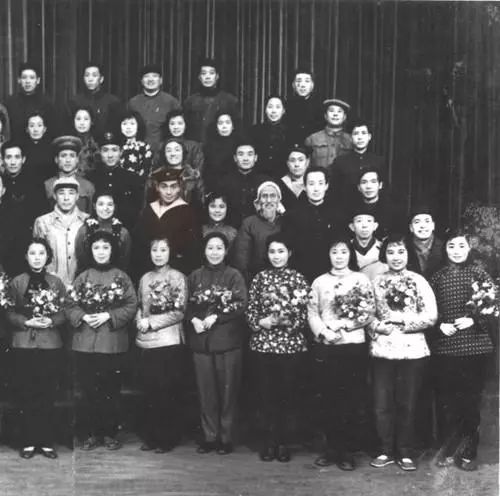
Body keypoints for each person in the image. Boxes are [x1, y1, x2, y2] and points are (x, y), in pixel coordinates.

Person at [368, 233, 437, 471]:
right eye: (391, 252)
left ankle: (405, 451)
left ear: (408, 254)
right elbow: (366, 314)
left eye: (401, 252)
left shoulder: (419, 281)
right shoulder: (376, 281)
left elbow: (431, 316)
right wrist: (378, 326)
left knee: (407, 403)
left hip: (412, 350)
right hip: (383, 350)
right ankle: (385, 450)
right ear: (384, 255)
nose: (396, 257)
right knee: (382, 403)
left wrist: (403, 321)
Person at [430, 230, 497, 471]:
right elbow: (427, 308)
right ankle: (449, 449)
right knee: (448, 401)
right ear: (445, 249)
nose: (456, 251)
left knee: (470, 400)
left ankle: (469, 452)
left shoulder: (479, 273)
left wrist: (474, 319)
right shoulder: (437, 277)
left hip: (474, 346)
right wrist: (440, 325)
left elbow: (493, 304)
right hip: (446, 347)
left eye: (461, 246)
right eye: (451, 246)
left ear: (469, 249)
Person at [308, 234, 375, 470]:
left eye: (344, 252)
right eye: (334, 252)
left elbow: (369, 311)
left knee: (351, 399)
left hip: (353, 345)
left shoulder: (360, 279)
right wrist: (324, 332)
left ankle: (347, 452)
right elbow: (312, 312)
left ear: (350, 255)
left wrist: (345, 325)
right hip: (328, 346)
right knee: (329, 398)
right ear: (328, 255)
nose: (339, 257)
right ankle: (330, 449)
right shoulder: (319, 282)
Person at [66, 230, 137, 451]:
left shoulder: (121, 276)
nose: (101, 252)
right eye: (96, 247)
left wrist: (109, 315)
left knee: (110, 390)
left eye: (106, 247)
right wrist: (83, 316)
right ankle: (90, 434)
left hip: (112, 342)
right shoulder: (83, 276)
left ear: (112, 250)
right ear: (90, 251)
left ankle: (109, 434)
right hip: (85, 343)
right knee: (88, 391)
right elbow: (69, 304)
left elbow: (131, 305)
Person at [246, 233, 310, 462]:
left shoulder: (298, 279)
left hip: (290, 346)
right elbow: (251, 309)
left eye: (281, 251)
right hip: (264, 346)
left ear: (289, 253)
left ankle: (284, 442)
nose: (276, 256)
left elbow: (305, 313)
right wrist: (260, 322)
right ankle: (269, 441)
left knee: (287, 396)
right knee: (266, 396)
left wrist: (288, 321)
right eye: (272, 251)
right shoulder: (260, 278)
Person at [186, 232, 247, 455]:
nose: (214, 252)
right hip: (201, 343)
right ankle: (209, 436)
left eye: (219, 248)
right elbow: (185, 304)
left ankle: (226, 437)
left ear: (226, 251)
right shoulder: (195, 276)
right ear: (204, 250)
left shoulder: (233, 275)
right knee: (206, 392)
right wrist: (193, 319)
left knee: (227, 392)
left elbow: (241, 304)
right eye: (210, 248)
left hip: (227, 342)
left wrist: (217, 317)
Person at [6, 238, 66, 459]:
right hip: (24, 343)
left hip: (50, 343)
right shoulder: (17, 282)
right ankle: (29, 441)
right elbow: (9, 311)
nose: (37, 257)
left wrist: (52, 321)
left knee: (47, 392)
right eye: (32, 253)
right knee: (26, 392)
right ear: (26, 256)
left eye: (41, 253)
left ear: (48, 257)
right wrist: (26, 322)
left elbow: (64, 311)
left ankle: (46, 441)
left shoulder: (56, 282)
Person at [135, 237, 188, 453]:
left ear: (170, 252)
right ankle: (152, 437)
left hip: (169, 340)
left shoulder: (177, 277)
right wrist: (139, 320)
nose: (158, 254)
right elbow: (140, 305)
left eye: (163, 250)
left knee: (167, 391)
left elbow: (179, 311)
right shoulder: (145, 278)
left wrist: (152, 323)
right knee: (150, 391)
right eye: (154, 250)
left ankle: (167, 438)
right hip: (147, 341)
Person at [132, 168, 201, 279]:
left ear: (179, 187)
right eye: (164, 187)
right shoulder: (149, 210)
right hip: (148, 271)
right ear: (157, 187)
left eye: (173, 186)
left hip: (176, 273)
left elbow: (192, 251)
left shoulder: (187, 212)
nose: (169, 192)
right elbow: (139, 244)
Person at [1, 139, 49, 276]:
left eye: (17, 157)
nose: (13, 162)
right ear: (3, 160)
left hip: (28, 244)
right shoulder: (1, 182)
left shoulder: (35, 183)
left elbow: (42, 214)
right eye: (8, 157)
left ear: (23, 159)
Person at [282, 167, 337, 283]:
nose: (316, 189)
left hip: (331, 274)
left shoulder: (336, 214)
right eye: (311, 184)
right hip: (300, 274)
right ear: (305, 187)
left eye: (320, 183)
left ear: (326, 186)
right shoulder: (292, 215)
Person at [33, 176, 89, 286]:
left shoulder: (88, 221)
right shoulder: (42, 222)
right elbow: (37, 257)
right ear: (54, 196)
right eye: (61, 193)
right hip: (51, 286)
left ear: (77, 196)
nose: (66, 198)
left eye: (71, 193)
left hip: (81, 285)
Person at [88, 130, 144, 230]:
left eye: (114, 150)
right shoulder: (91, 178)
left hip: (126, 231)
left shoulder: (133, 179)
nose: (110, 155)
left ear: (121, 152)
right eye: (105, 150)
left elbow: (137, 212)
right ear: (100, 152)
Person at [232, 181, 283, 283]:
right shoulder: (249, 224)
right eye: (264, 196)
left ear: (278, 200)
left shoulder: (285, 222)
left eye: (273, 196)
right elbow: (241, 261)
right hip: (255, 280)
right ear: (258, 201)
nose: (269, 200)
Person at [183, 58, 239, 144]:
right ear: (199, 77)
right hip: (196, 147)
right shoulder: (190, 101)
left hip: (220, 146)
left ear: (217, 76)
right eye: (204, 73)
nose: (207, 77)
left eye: (211, 73)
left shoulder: (229, 100)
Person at [331, 119, 386, 205]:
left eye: (363, 133)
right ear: (351, 138)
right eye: (356, 134)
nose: (360, 137)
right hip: (346, 207)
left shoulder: (378, 161)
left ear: (369, 137)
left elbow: (384, 190)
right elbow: (335, 191)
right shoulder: (340, 162)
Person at [128, 64, 181, 154]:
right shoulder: (133, 103)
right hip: (138, 152)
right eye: (146, 76)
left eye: (154, 76)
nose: (150, 79)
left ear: (161, 80)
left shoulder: (171, 102)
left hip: (164, 152)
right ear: (141, 81)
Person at [74, 190, 131, 273]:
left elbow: (124, 262)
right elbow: (81, 260)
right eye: (101, 204)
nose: (105, 208)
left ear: (115, 206)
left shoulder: (123, 232)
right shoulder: (84, 231)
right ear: (94, 206)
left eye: (110, 204)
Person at [217, 140, 270, 228]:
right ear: (235, 158)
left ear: (255, 158)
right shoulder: (224, 182)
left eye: (250, 154)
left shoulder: (265, 182)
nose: (245, 159)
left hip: (259, 229)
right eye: (241, 154)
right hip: (231, 229)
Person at [66, 62, 122, 137]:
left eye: (94, 75)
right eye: (87, 75)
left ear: (101, 79)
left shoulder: (113, 102)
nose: (90, 79)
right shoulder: (74, 101)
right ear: (83, 79)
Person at [4, 62, 57, 140]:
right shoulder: (9, 103)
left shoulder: (47, 103)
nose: (27, 81)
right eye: (24, 77)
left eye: (32, 78)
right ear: (19, 80)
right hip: (15, 145)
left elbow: (52, 131)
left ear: (38, 80)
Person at [44, 135, 95, 214]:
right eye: (63, 156)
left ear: (77, 159)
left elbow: (91, 214)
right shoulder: (47, 186)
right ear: (56, 159)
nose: (68, 160)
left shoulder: (87, 186)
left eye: (72, 156)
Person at [152, 138, 204, 209]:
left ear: (183, 153)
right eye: (168, 151)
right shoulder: (155, 177)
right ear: (164, 154)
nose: (173, 154)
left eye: (177, 150)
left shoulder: (194, 178)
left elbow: (200, 207)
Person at [305, 98, 352, 169]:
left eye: (339, 111)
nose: (335, 114)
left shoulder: (351, 140)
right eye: (331, 111)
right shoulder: (312, 139)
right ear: (325, 116)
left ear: (344, 117)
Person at [250, 95, 288, 179]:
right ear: (265, 110)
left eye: (278, 107)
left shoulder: (290, 132)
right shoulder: (254, 131)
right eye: (270, 107)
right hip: (258, 176)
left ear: (283, 111)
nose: (273, 111)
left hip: (284, 177)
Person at [203, 111, 242, 192]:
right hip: (215, 189)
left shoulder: (240, 145)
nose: (224, 126)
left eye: (227, 123)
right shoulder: (209, 148)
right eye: (220, 123)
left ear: (233, 126)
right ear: (216, 127)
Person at [284, 68, 324, 146]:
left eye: (307, 81)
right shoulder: (286, 105)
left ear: (312, 85)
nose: (302, 85)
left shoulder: (320, 107)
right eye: (298, 81)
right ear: (293, 85)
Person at [348, 208, 388, 281]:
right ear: (352, 227)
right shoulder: (345, 249)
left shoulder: (384, 248)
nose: (364, 226)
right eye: (359, 221)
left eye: (369, 221)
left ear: (375, 226)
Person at [406, 205, 444, 278]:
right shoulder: (404, 248)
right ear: (411, 227)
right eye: (417, 222)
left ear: (433, 225)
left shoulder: (444, 247)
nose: (423, 226)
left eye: (427, 221)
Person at [21, 111, 55, 184]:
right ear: (27, 129)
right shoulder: (21, 149)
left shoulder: (52, 149)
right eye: (32, 126)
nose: (35, 130)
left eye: (39, 125)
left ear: (44, 129)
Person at [118, 109, 153, 178]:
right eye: (124, 124)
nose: (128, 127)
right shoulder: (117, 147)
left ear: (138, 126)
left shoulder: (145, 147)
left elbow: (146, 172)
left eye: (132, 124)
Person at [69, 105, 100, 177]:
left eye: (86, 119)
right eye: (78, 119)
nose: (82, 123)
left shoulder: (98, 144)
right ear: (73, 121)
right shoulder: (67, 143)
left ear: (92, 121)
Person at [278, 144, 310, 212]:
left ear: (307, 162)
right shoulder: (280, 184)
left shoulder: (314, 182)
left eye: (301, 160)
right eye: (292, 160)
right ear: (287, 163)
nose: (296, 165)